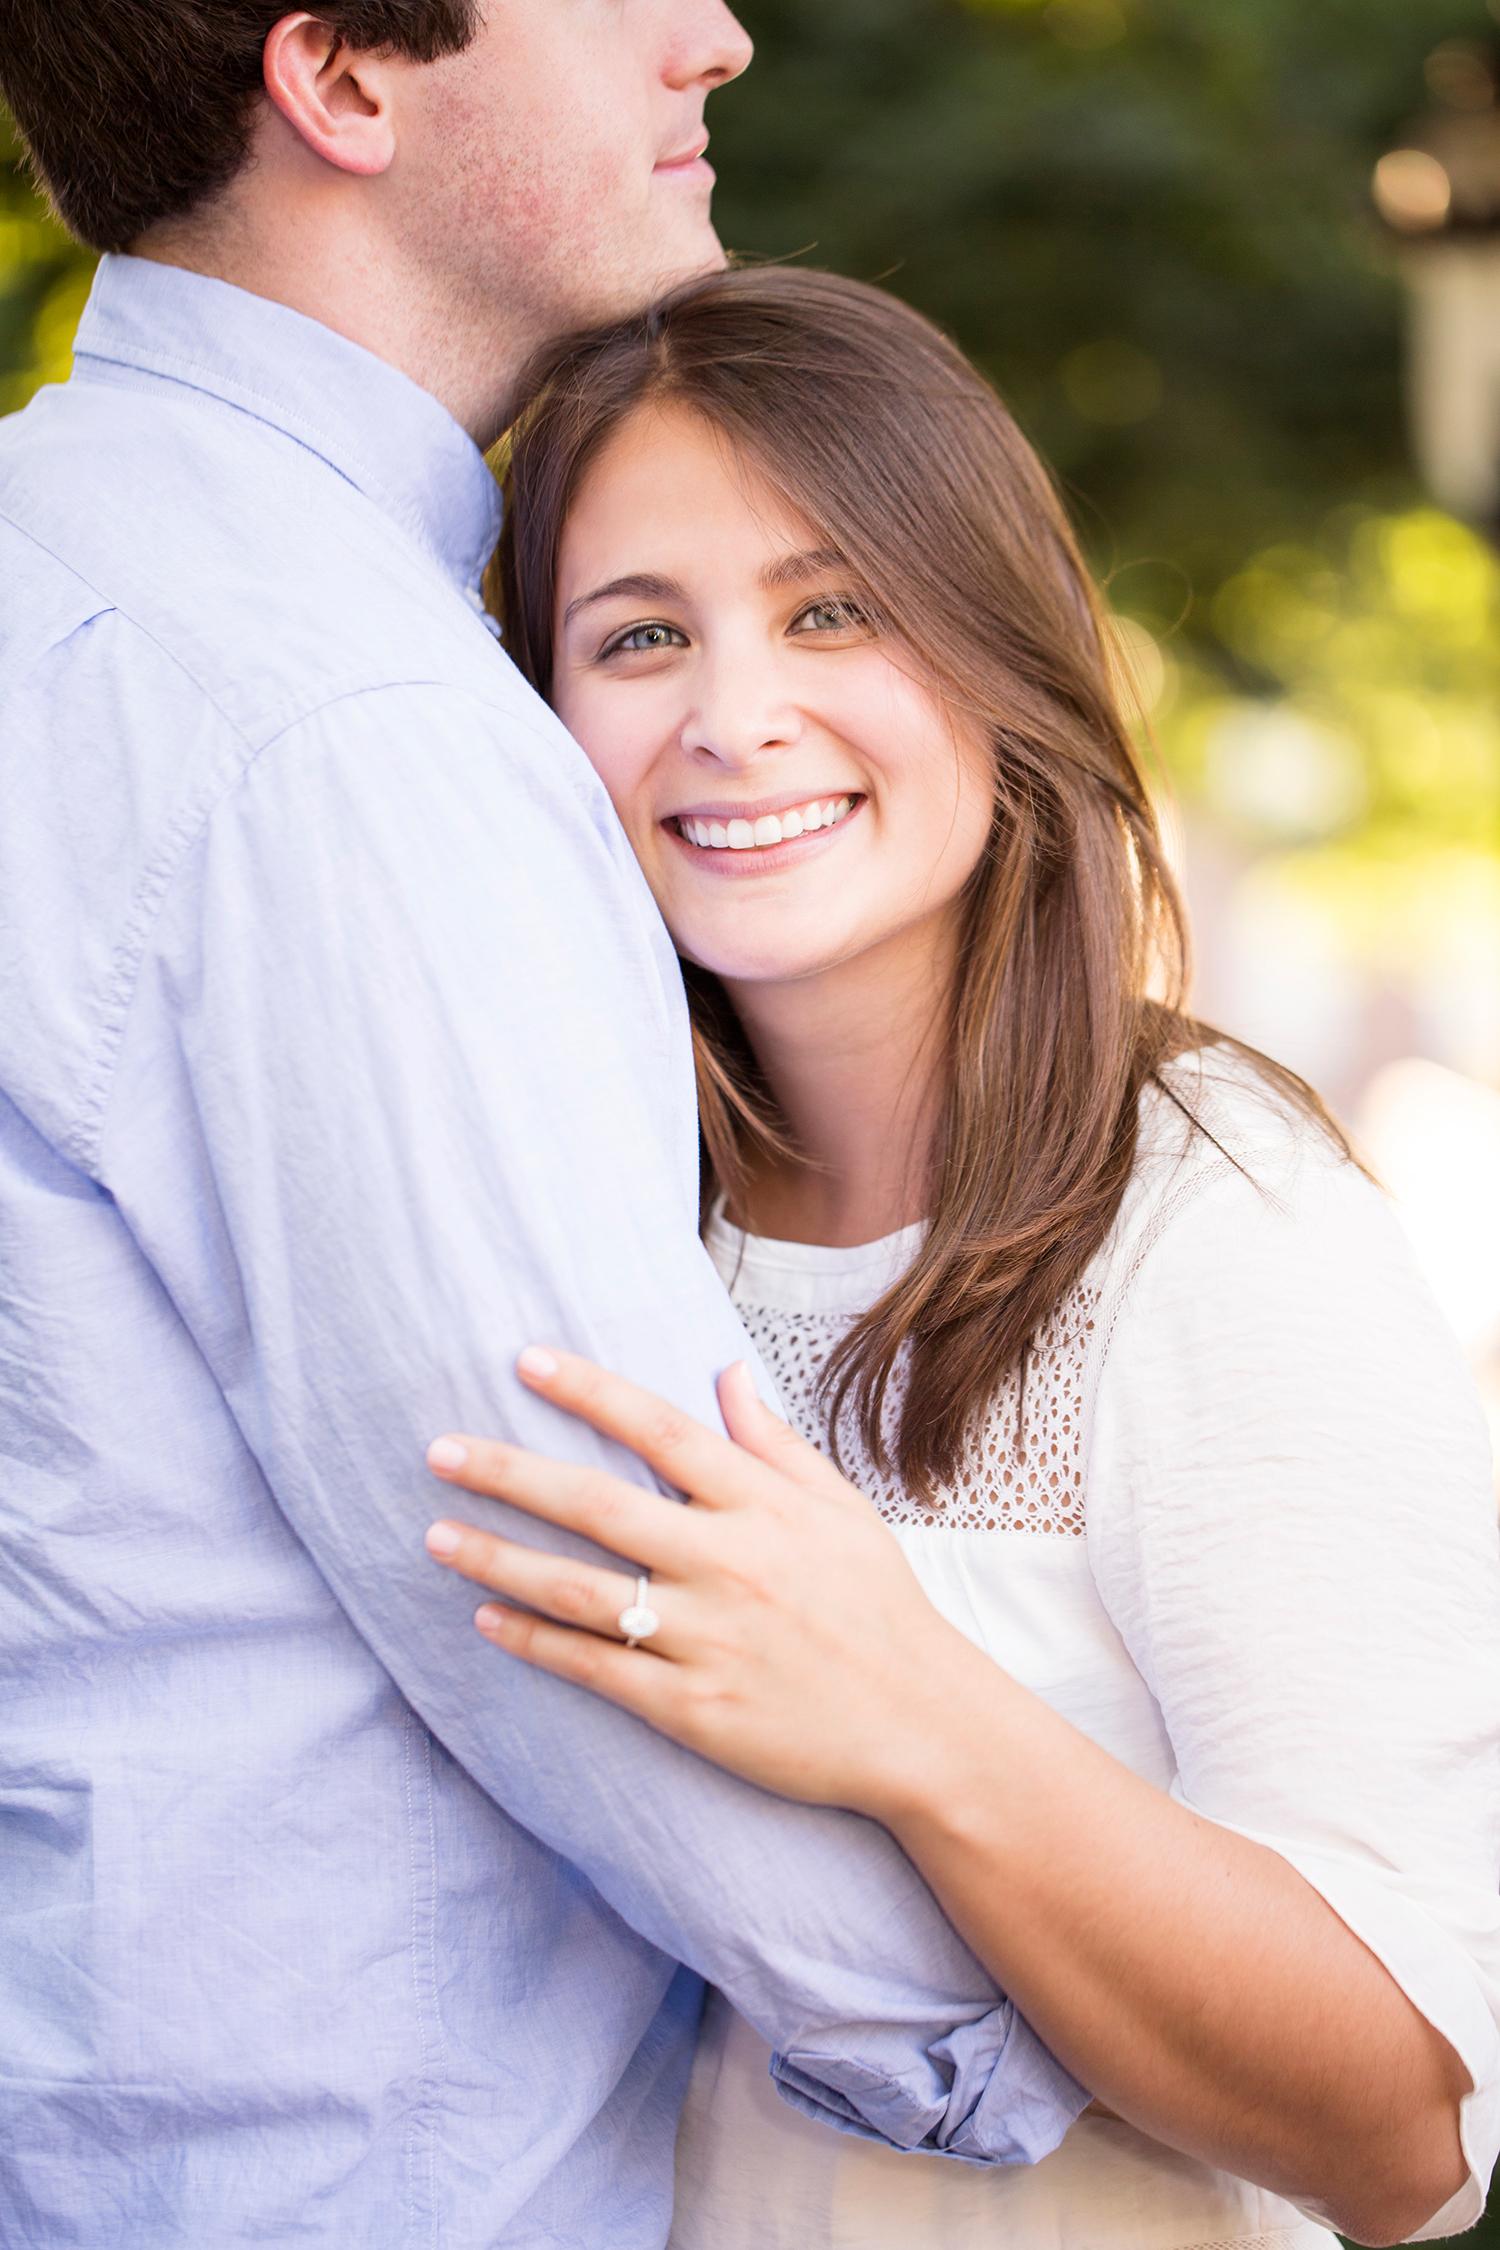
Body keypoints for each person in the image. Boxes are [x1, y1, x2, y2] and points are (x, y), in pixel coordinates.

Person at [0, 14, 1089, 2247]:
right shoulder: (335, 720)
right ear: (346, 81)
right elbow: (590, 1562)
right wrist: (1029, 2043)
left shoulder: (66, 564)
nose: (721, 30)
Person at [423, 266, 1500, 2248]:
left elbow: (1405, 2137)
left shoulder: (1212, 1218)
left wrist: (910, 1705)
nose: (737, 719)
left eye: (833, 609)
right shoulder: (576, 1216)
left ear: (998, 648)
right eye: (640, 634)